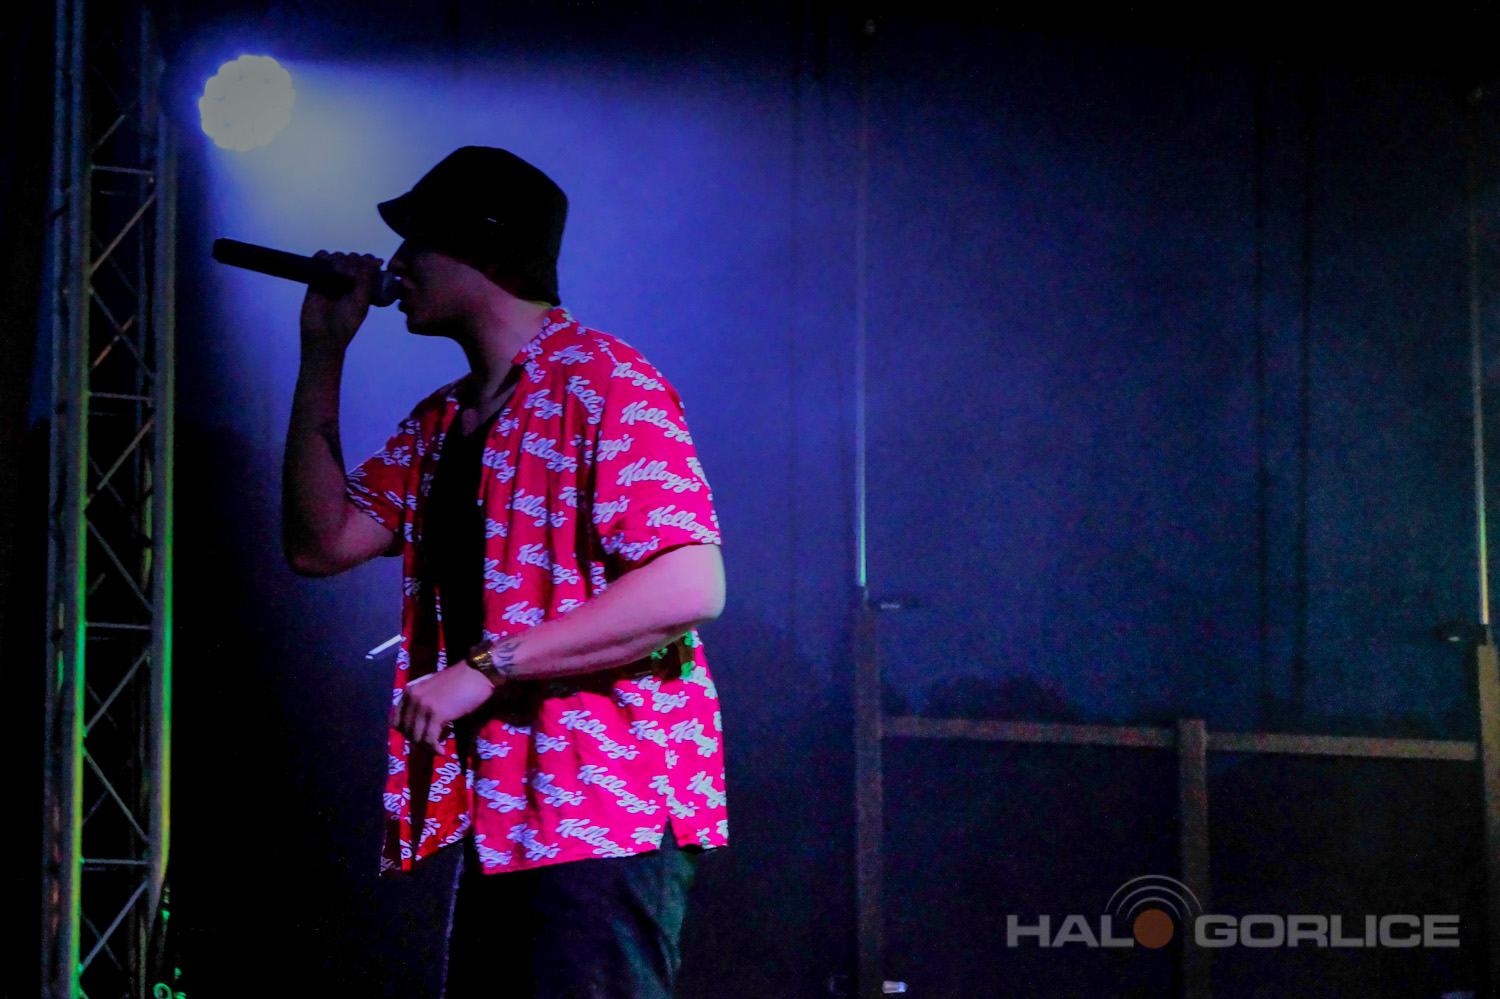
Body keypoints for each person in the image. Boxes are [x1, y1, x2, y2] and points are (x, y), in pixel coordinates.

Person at [280, 146, 728, 999]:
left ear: (483, 249)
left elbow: (690, 583)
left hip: (604, 813)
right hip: (501, 819)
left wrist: (485, 668)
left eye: (417, 239)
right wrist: (322, 353)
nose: (397, 262)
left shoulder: (607, 382)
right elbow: (319, 540)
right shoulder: (442, 421)